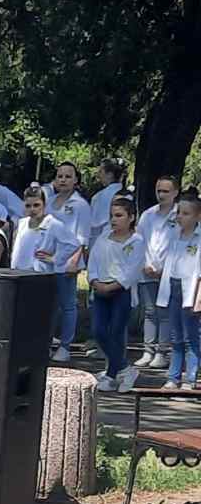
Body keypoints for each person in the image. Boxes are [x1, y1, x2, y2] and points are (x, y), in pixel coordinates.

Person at [88, 197, 144, 393]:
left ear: (131, 217)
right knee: (98, 331)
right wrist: (95, 281)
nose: (114, 220)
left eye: (119, 216)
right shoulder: (104, 237)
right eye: (112, 216)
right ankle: (125, 368)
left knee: (116, 333)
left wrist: (112, 286)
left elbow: (132, 270)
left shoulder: (136, 241)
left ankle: (112, 375)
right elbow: (93, 262)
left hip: (121, 293)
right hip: (100, 291)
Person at [46, 163, 92, 362]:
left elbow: (83, 237)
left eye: (68, 176)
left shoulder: (81, 205)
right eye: (60, 176)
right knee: (48, 304)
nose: (63, 179)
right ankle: (46, 342)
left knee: (67, 304)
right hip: (47, 260)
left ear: (76, 180)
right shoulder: (48, 201)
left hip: (66, 262)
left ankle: (65, 345)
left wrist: (74, 261)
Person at [156, 191, 201, 390]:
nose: (180, 217)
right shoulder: (174, 235)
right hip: (173, 287)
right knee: (175, 337)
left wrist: (198, 297)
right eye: (179, 212)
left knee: (191, 336)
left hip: (191, 290)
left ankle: (190, 378)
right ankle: (173, 377)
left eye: (186, 213)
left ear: (198, 216)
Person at [134, 177, 178, 371]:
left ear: (175, 192)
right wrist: (144, 264)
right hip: (147, 269)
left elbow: (178, 245)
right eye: (159, 190)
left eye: (166, 191)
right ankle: (148, 350)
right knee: (150, 312)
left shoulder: (179, 215)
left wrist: (164, 269)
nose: (161, 195)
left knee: (165, 313)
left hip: (168, 272)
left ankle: (163, 352)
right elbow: (139, 241)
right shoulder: (148, 215)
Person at [11, 185, 73, 276]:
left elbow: (73, 244)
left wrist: (55, 258)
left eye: (36, 205)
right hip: (18, 272)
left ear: (44, 204)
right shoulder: (22, 223)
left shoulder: (53, 224)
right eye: (28, 206)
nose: (32, 209)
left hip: (40, 274)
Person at [89, 160, 126, 245]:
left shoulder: (98, 197)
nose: (98, 175)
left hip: (102, 242)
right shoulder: (129, 195)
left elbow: (94, 227)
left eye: (101, 171)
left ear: (110, 174)